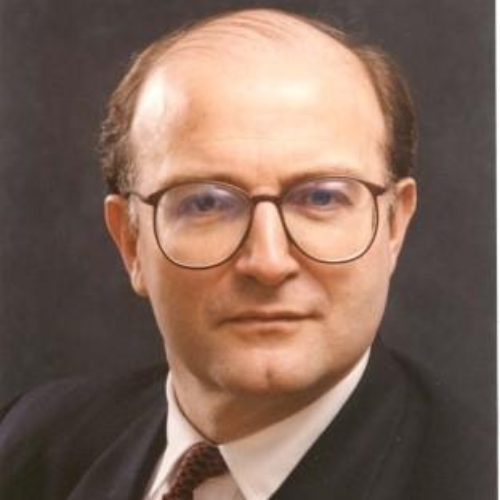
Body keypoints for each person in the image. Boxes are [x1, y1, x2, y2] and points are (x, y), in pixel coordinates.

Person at [0, 7, 493, 500]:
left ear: (393, 226)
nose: (268, 262)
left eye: (321, 198)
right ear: (130, 241)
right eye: (206, 203)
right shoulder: (26, 444)